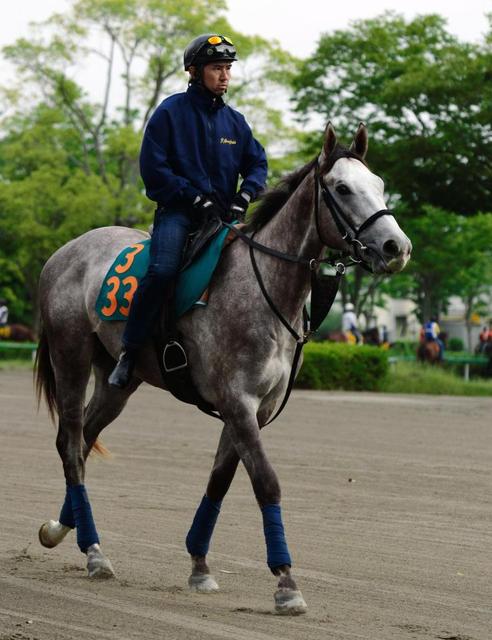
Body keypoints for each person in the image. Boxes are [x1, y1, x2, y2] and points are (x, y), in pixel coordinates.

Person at [109, 34, 268, 388]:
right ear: (195, 72)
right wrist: (194, 198)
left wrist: (246, 196)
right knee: (163, 271)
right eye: (216, 68)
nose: (224, 76)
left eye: (227, 68)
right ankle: (130, 351)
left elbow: (258, 164)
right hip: (178, 214)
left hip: (226, 218)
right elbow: (154, 168)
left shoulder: (236, 123)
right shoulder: (169, 112)